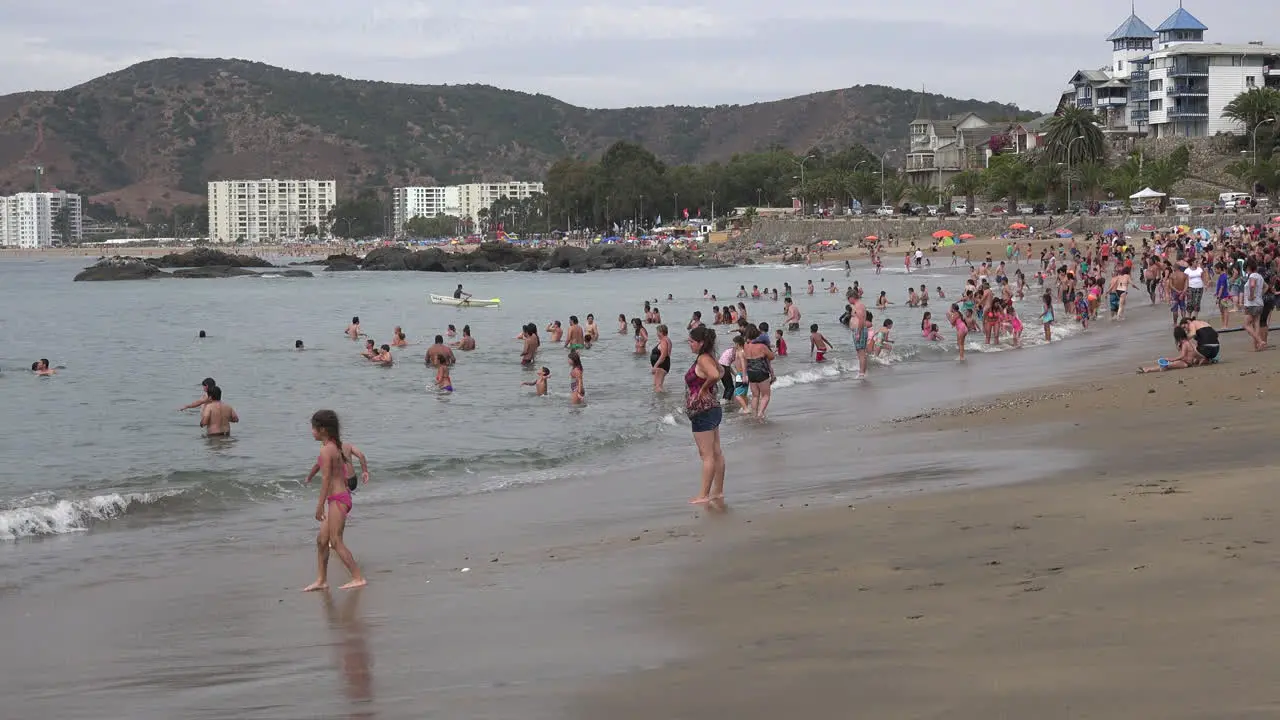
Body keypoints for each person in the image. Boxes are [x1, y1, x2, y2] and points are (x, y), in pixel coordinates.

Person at [303, 409, 367, 591]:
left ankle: (358, 577)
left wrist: (319, 506)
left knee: (336, 541)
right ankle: (322, 580)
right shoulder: (333, 446)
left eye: (313, 428)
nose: (312, 431)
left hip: (338, 499)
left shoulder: (327, 449)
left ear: (322, 429)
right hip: (338, 497)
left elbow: (325, 480)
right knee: (322, 540)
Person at [685, 326, 725, 505]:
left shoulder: (703, 359)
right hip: (712, 408)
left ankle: (703, 495)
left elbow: (716, 374)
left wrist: (702, 389)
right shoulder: (709, 357)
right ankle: (717, 492)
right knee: (716, 452)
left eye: (692, 342)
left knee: (707, 455)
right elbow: (722, 372)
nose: (689, 344)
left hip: (703, 410)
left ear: (701, 343)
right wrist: (708, 386)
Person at [305, 434, 370, 493]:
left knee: (337, 500)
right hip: (353, 480)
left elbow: (318, 465)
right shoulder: (347, 445)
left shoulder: (328, 449)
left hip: (341, 482)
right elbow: (361, 455)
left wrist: (309, 477)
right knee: (346, 498)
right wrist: (365, 471)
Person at [1137, 326, 1208, 373]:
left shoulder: (1185, 344)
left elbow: (1182, 356)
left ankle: (1148, 369)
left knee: (1167, 365)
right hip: (1186, 362)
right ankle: (1147, 369)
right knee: (1167, 365)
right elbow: (1194, 351)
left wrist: (1171, 359)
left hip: (1186, 363)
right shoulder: (1188, 342)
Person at [743, 325, 775, 420]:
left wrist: (744, 374)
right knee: (766, 395)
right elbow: (771, 357)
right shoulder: (762, 346)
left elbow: (744, 361)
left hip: (751, 372)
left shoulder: (745, 346)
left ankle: (754, 414)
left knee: (755, 396)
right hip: (761, 371)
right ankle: (760, 413)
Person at [650, 324, 672, 392]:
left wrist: (655, 366)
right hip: (663, 365)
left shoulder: (664, 341)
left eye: (657, 332)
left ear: (661, 332)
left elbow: (663, 355)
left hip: (661, 365)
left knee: (657, 386)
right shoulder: (666, 340)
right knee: (657, 385)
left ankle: (663, 401)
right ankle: (661, 402)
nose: (657, 334)